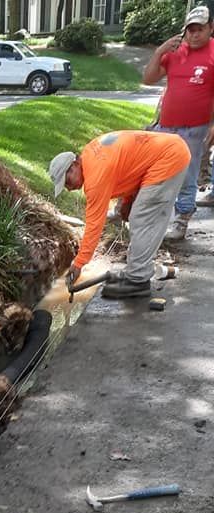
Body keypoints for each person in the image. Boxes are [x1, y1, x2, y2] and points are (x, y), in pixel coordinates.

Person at [49, 130, 190, 299]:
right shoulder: (90, 155)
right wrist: (127, 200)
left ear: (74, 166)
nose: (69, 188)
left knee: (142, 218)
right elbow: (129, 167)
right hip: (168, 151)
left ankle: (138, 280)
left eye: (67, 181)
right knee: (139, 216)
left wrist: (79, 262)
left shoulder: (95, 178)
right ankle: (134, 272)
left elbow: (94, 225)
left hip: (169, 158)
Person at [142, 4, 214, 239]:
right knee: (160, 172)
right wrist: (158, 52)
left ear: (210, 28)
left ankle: (181, 220)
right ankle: (156, 216)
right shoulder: (175, 51)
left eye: (199, 29)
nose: (194, 34)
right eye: (190, 29)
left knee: (187, 173)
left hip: (194, 128)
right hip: (166, 126)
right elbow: (149, 78)